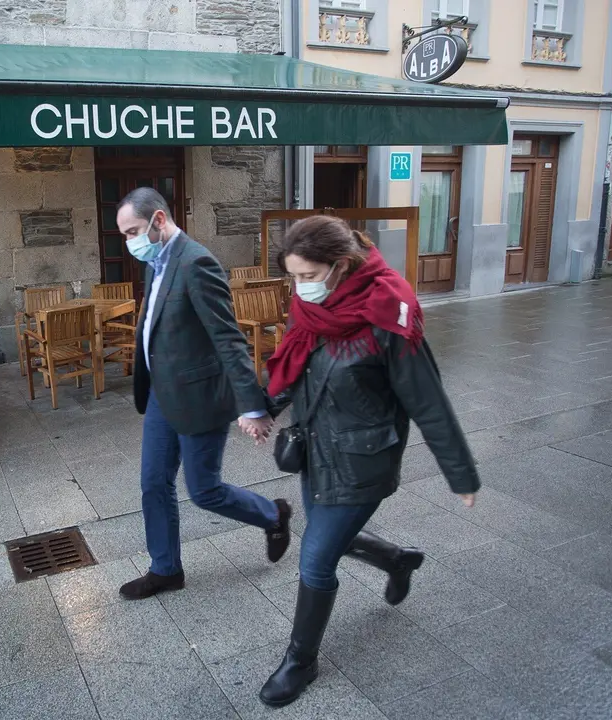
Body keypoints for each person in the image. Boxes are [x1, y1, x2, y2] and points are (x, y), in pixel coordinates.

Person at [255, 215, 479, 708]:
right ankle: (398, 560)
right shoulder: (309, 306)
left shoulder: (389, 314)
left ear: (341, 265)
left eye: (309, 276)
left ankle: (300, 661)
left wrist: (460, 473)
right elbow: (295, 361)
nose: (300, 287)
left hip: (363, 461)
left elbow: (428, 401)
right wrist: (265, 405)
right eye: (293, 276)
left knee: (316, 557)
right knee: (328, 538)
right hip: (316, 450)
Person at [115, 187, 292, 602]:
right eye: (124, 236)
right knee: (153, 484)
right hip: (161, 395)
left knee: (204, 491)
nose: (130, 243)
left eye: (133, 232)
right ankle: (165, 570)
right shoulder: (156, 262)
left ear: (159, 220)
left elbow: (228, 340)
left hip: (199, 397)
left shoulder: (197, 263)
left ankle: (273, 514)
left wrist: (252, 406)